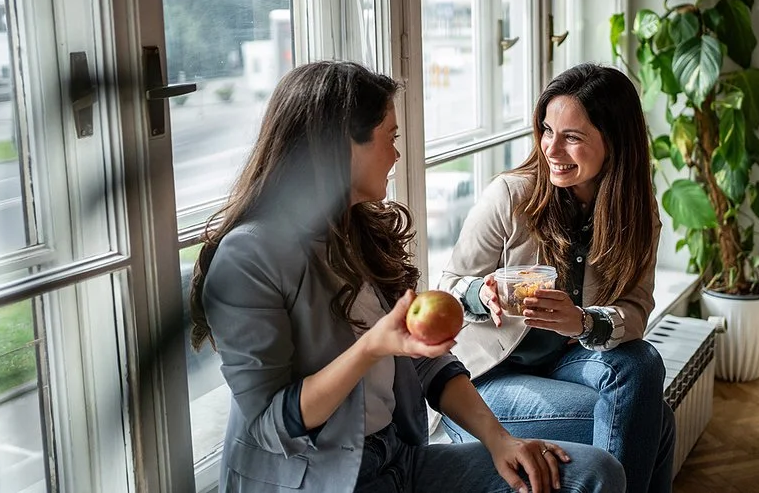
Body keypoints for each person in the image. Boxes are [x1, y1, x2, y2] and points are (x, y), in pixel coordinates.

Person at [188, 60, 626, 493]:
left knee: (594, 472)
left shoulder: (363, 232)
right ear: (340, 146)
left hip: (397, 457)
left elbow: (428, 363)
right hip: (320, 477)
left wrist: (499, 440)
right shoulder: (250, 255)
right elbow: (269, 426)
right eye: (390, 137)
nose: (397, 154)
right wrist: (371, 348)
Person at [438, 63, 675, 493]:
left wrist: (582, 322)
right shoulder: (510, 197)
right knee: (658, 421)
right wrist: (480, 293)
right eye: (547, 130)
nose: (551, 148)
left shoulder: (636, 212)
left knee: (643, 362)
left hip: (566, 363)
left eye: (572, 137)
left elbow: (636, 309)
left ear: (614, 143)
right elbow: (448, 287)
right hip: (489, 378)